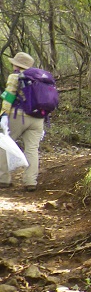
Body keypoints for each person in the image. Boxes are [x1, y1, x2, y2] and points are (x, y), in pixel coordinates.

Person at [0, 52, 43, 192]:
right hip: (38, 119)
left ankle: (3, 179)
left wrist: (3, 114)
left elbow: (9, 96)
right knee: (32, 149)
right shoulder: (40, 79)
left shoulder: (15, 76)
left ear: (16, 65)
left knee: (4, 145)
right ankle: (30, 181)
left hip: (17, 117)